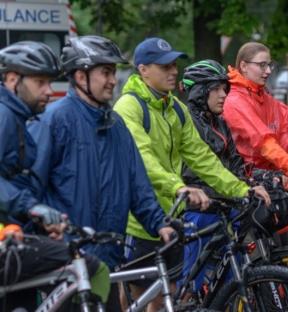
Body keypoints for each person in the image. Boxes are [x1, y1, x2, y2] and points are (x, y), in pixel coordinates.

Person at [114, 38, 270, 311]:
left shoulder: (175, 108)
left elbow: (203, 158)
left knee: (168, 291)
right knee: (136, 294)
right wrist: (179, 187)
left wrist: (241, 189)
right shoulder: (129, 107)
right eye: (164, 66)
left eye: (174, 64)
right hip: (136, 219)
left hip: (170, 215)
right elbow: (143, 159)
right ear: (143, 70)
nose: (173, 71)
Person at [27, 36, 174, 308]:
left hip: (107, 261)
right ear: (80, 75)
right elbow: (30, 187)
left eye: (113, 72)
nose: (112, 80)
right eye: (105, 72)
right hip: (66, 265)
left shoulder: (117, 127)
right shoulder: (55, 120)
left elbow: (138, 186)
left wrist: (160, 224)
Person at [0, 41, 109, 310]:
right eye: (40, 82)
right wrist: (31, 207)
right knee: (92, 268)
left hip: (12, 234)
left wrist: (39, 217)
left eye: (50, 82)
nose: (49, 91)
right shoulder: (4, 117)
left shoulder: (18, 117)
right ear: (13, 79)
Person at [180, 59, 271, 293]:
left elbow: (234, 162)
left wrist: (250, 183)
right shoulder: (187, 121)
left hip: (224, 206)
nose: (224, 95)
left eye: (225, 89)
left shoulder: (219, 121)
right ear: (200, 92)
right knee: (192, 283)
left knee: (236, 274)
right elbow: (199, 169)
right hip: (199, 211)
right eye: (217, 89)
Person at [222, 42, 288, 187]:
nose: (269, 71)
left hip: (273, 181)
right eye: (262, 65)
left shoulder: (264, 98)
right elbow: (263, 141)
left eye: (270, 65)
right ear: (244, 66)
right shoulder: (235, 101)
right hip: (249, 184)